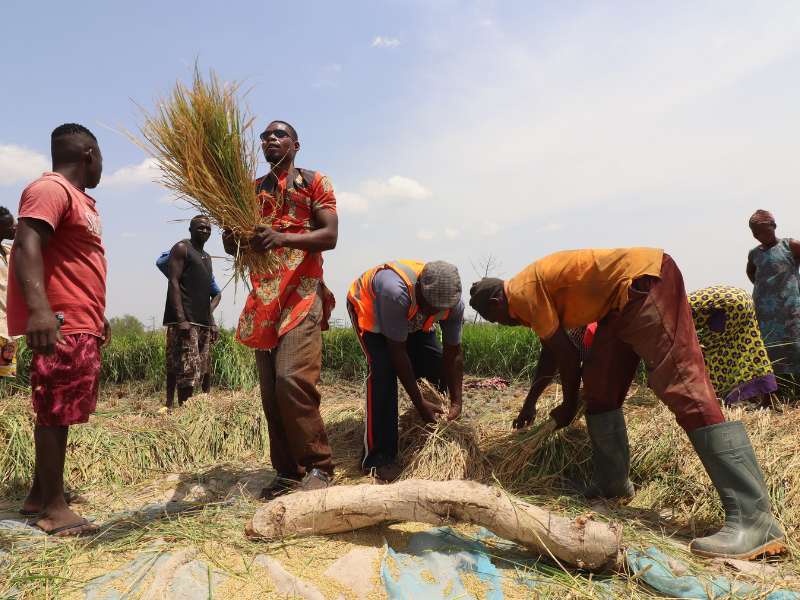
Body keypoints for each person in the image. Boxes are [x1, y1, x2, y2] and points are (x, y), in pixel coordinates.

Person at [470, 248, 785, 560]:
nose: (499, 324)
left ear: (496, 303)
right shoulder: (526, 292)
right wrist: (530, 404)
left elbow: (566, 357)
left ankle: (755, 520)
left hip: (645, 284)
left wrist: (567, 406)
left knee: (682, 385)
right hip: (616, 307)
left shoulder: (523, 294)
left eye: (493, 319)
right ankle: (613, 483)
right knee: (600, 383)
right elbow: (551, 352)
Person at [222, 120, 337, 499]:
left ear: (296, 145)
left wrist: (282, 236)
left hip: (302, 294)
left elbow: (330, 236)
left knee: (291, 380)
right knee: (271, 393)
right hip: (265, 301)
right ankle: (288, 472)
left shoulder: (314, 181)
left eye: (279, 134)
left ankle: (319, 466)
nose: (270, 138)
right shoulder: (251, 191)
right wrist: (232, 239)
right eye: (265, 136)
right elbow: (240, 249)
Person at [7, 124, 110, 537]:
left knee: (62, 409)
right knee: (53, 411)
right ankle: (53, 510)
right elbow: (27, 244)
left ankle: (39, 493)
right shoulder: (51, 190)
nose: (103, 166)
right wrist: (40, 312)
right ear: (88, 154)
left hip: (81, 318)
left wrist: (97, 314)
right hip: (60, 321)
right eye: (101, 157)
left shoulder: (80, 200)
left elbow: (76, 261)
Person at [347, 260, 464, 482]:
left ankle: (423, 433)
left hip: (411, 318)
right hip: (372, 312)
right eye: (430, 304)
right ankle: (378, 459)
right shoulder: (394, 291)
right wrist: (419, 403)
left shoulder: (453, 305)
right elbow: (397, 353)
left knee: (437, 365)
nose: (434, 311)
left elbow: (453, 355)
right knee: (383, 371)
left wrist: (457, 402)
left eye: (440, 308)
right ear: (418, 287)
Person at [162, 216, 220, 407]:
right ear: (190, 230)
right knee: (186, 368)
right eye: (201, 228)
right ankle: (183, 411)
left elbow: (207, 295)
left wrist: (211, 323)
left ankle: (192, 411)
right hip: (187, 321)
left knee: (199, 370)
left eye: (208, 229)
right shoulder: (181, 249)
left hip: (202, 322)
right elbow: (174, 282)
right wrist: (181, 318)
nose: (205, 231)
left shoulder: (206, 257)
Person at [687, 286, 778, 409]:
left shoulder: (665, 318)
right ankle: (770, 400)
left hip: (729, 306)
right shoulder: (672, 305)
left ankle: (718, 401)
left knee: (708, 354)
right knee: (753, 348)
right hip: (743, 298)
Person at [746, 210, 800, 394]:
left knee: (794, 341)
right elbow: (751, 271)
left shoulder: (790, 245)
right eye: (756, 234)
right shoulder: (754, 253)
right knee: (768, 346)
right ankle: (774, 391)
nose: (761, 236)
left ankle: (795, 389)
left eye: (765, 232)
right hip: (764, 307)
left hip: (790, 304)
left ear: (774, 227)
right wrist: (763, 288)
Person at [0, 206, 20, 377]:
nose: (15, 226)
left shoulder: (8, 251)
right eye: (9, 224)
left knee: (2, 375)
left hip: (7, 328)